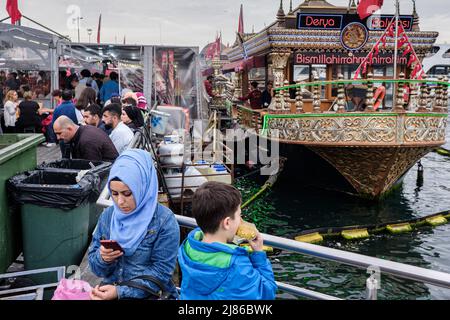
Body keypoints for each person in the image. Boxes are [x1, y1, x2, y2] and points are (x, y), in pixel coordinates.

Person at [88, 149, 180, 300]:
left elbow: (161, 274)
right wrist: (103, 258)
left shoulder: (164, 221)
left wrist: (119, 292)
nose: (120, 202)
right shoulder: (108, 216)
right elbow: (96, 268)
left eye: (127, 193)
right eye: (114, 194)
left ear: (143, 187)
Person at [178, 181, 277, 300]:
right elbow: (267, 293)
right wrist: (259, 254)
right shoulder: (236, 264)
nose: (241, 221)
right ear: (227, 223)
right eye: (239, 216)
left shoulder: (188, 247)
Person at [53, 115, 118, 162]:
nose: (58, 138)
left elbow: (93, 170)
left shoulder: (86, 141)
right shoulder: (84, 131)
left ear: (70, 128)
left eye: (59, 133)